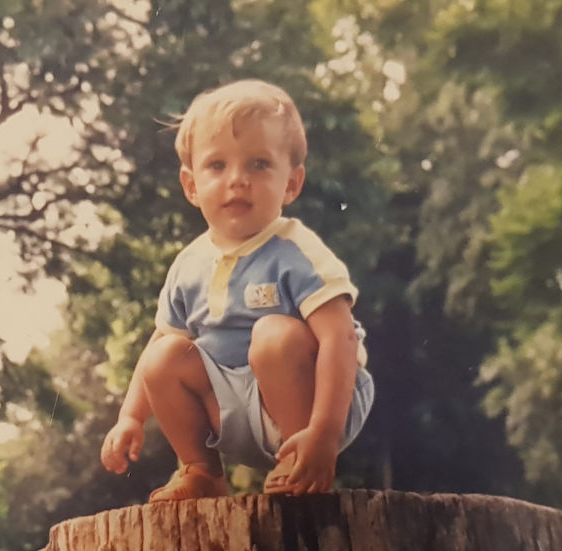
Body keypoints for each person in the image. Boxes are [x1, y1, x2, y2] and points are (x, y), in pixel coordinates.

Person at [100, 79, 374, 500]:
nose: (237, 180)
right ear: (191, 186)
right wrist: (130, 418)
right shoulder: (189, 264)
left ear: (292, 183)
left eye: (259, 164)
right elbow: (162, 343)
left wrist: (324, 432)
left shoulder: (295, 250)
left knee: (273, 336)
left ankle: (300, 460)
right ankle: (201, 471)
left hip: (317, 401)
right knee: (162, 355)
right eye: (217, 166)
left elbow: (339, 337)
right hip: (234, 412)